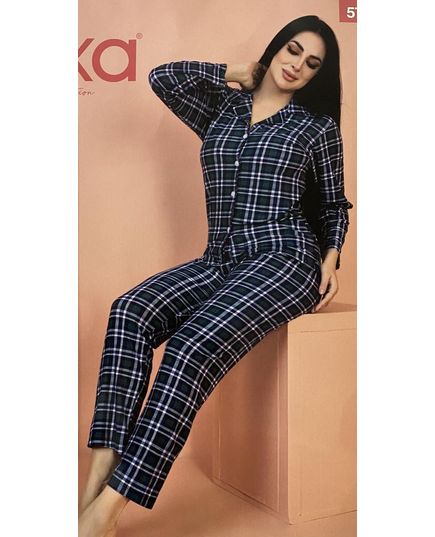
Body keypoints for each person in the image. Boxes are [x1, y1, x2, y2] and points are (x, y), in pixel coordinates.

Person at [78, 14, 354, 537]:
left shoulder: (315, 129)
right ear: (275, 49)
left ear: (318, 76)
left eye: (313, 63)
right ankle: (94, 484)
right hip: (219, 260)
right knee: (129, 310)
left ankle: (105, 513)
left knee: (189, 347)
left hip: (283, 259)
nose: (298, 65)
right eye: (293, 50)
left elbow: (333, 204)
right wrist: (233, 71)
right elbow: (163, 77)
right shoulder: (221, 110)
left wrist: (330, 257)